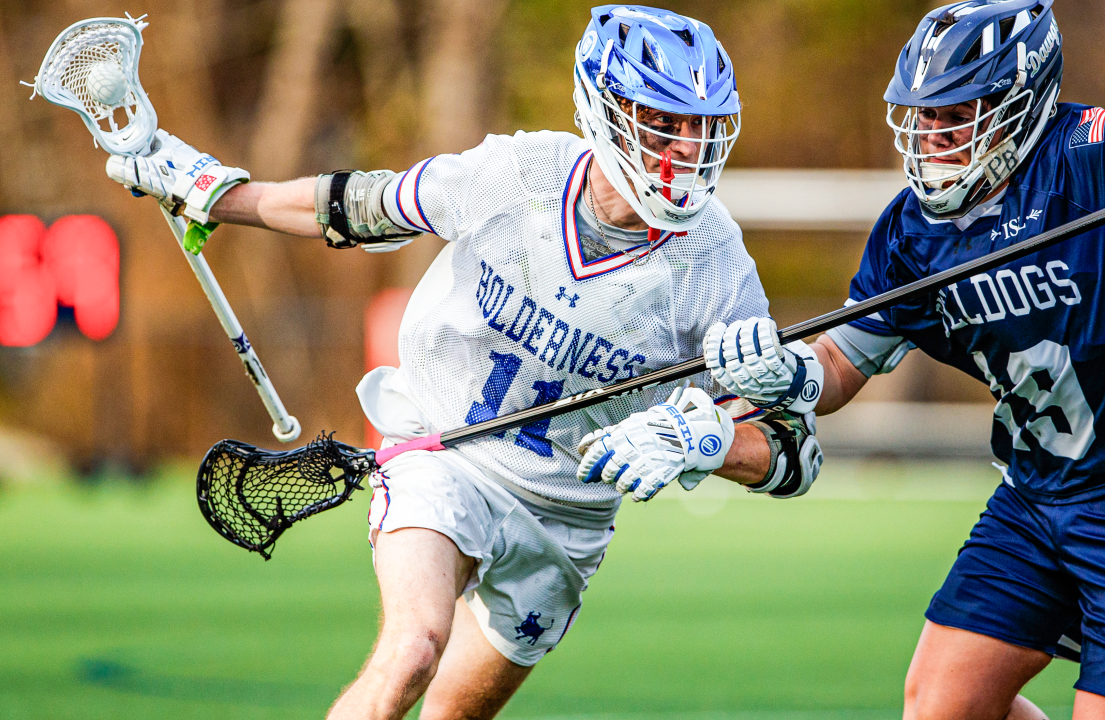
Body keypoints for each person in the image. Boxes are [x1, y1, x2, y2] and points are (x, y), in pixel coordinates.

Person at [106, 6, 811, 719]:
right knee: (411, 650)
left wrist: (709, 441)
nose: (686, 151)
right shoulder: (516, 174)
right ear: (605, 108)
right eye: (665, 121)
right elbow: (356, 207)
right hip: (445, 453)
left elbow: (794, 451)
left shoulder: (713, 259)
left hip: (566, 520)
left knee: (453, 714)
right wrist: (216, 194)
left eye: (702, 127)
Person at [583, 1, 1105, 718]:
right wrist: (786, 373)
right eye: (922, 115)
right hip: (1034, 493)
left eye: (954, 114)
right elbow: (841, 364)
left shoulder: (1090, 152)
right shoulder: (912, 231)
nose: (931, 135)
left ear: (1016, 104)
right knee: (937, 705)